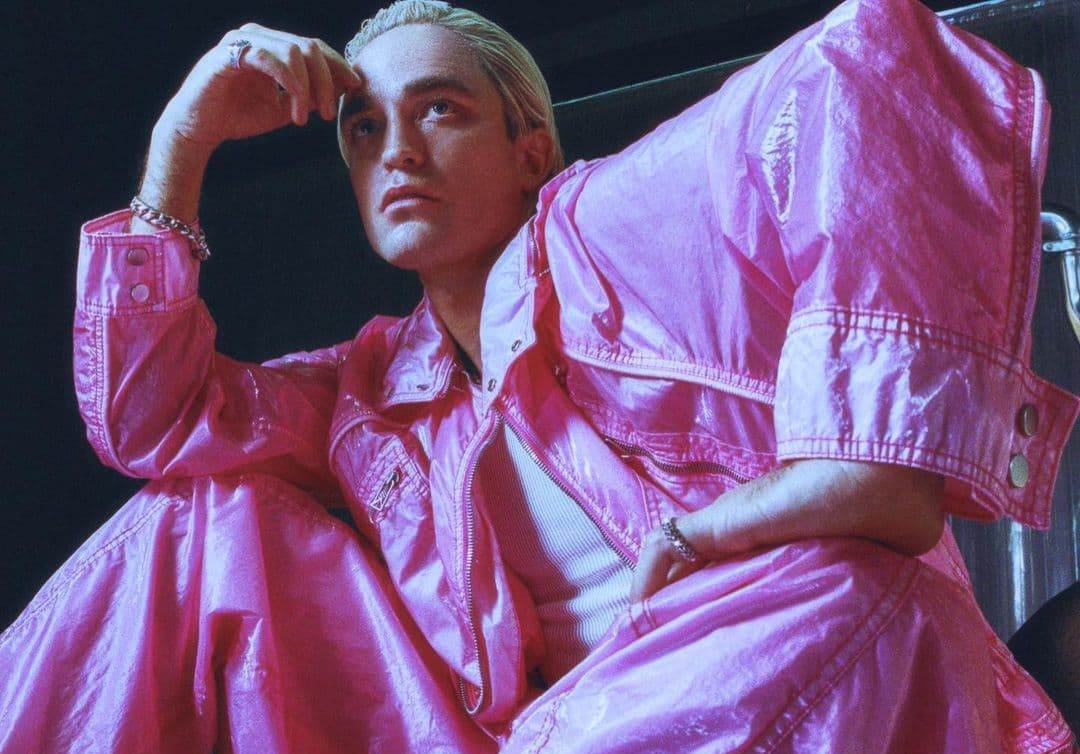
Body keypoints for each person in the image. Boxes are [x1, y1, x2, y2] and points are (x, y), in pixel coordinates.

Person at [2, 0, 1077, 751]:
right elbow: (152, 421)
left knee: (856, 589)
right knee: (194, 516)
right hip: (529, 732)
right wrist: (181, 140)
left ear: (529, 149)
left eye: (439, 108)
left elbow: (866, 53)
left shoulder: (608, 228)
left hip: (754, 672)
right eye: (366, 129)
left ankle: (863, 470)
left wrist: (765, 505)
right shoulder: (369, 388)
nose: (397, 150)